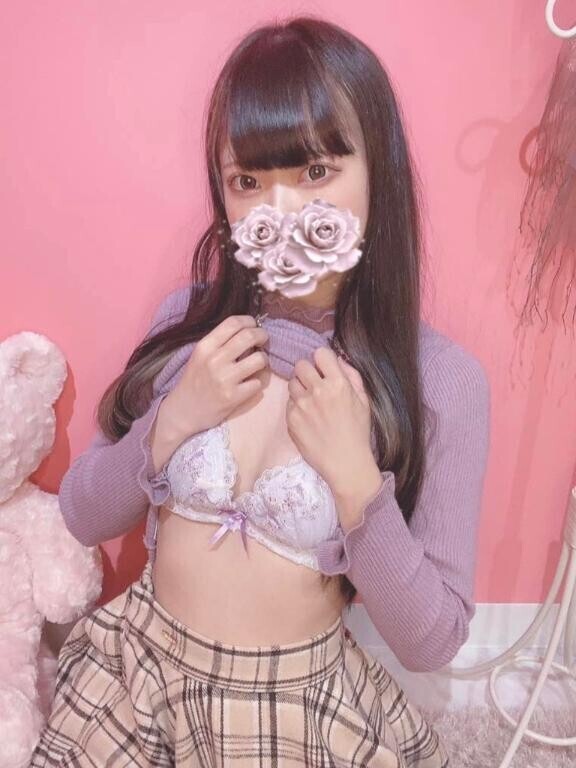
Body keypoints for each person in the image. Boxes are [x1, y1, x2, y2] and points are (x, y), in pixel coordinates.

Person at [31, 14, 491, 767]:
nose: (281, 211)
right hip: (142, 674)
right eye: (248, 181)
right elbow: (82, 514)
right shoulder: (188, 325)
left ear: (377, 169)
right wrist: (171, 421)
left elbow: (431, 640)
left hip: (293, 707)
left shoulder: (441, 380)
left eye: (315, 172)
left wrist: (357, 484)